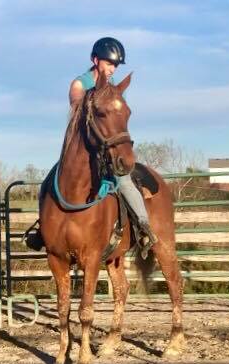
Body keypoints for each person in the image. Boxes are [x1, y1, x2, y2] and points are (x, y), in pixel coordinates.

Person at [69, 37, 157, 252]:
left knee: (124, 180)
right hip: (84, 148)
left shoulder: (117, 90)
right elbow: (77, 111)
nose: (112, 69)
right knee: (57, 176)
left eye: (115, 65)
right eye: (109, 63)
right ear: (95, 59)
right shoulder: (80, 84)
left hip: (107, 149)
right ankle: (43, 229)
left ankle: (144, 227)